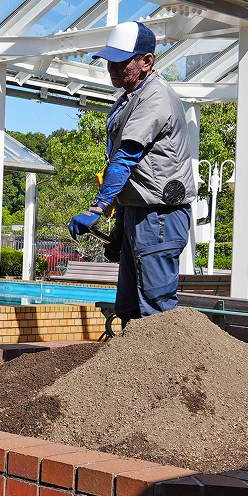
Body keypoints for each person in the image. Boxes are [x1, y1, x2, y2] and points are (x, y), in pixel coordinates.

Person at [68, 21, 196, 326]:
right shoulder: (128, 98)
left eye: (121, 61)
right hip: (138, 210)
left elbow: (126, 158)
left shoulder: (155, 96)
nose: (112, 68)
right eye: (109, 61)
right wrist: (121, 224)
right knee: (129, 307)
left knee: (155, 308)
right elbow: (130, 171)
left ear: (146, 61)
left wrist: (96, 208)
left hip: (160, 216)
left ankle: (167, 372)